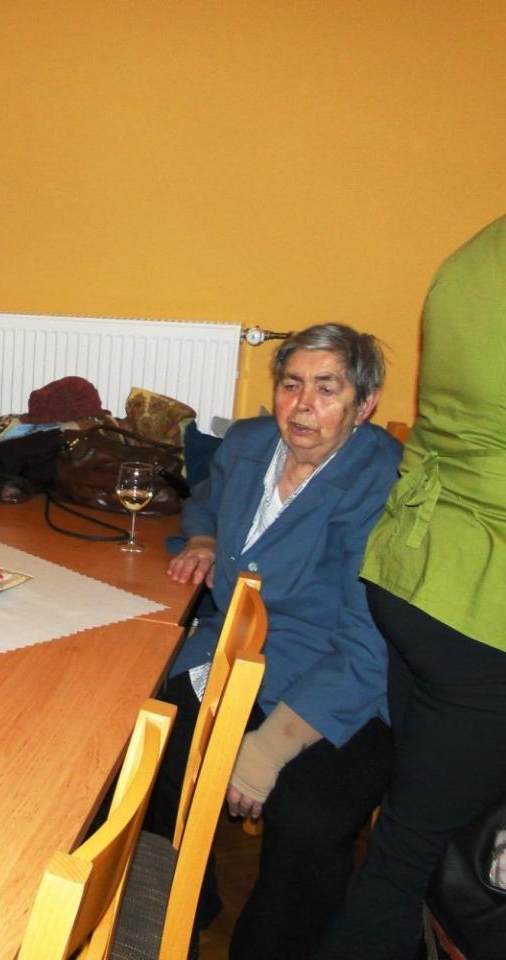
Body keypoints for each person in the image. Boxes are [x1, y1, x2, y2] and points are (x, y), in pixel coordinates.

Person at [159, 323, 402, 959]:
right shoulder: (248, 443)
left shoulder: (386, 483)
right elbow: (205, 501)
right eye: (291, 385)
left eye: (326, 389)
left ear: (364, 404)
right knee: (153, 742)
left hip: (341, 679)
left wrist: (270, 747)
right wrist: (204, 537)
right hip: (235, 653)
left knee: (309, 816)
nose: (302, 406)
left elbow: (370, 638)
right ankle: (169, 915)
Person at [318, 218, 506, 959]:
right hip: (480, 604)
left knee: (416, 831)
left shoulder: (479, 253)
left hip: (413, 570)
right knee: (412, 858)